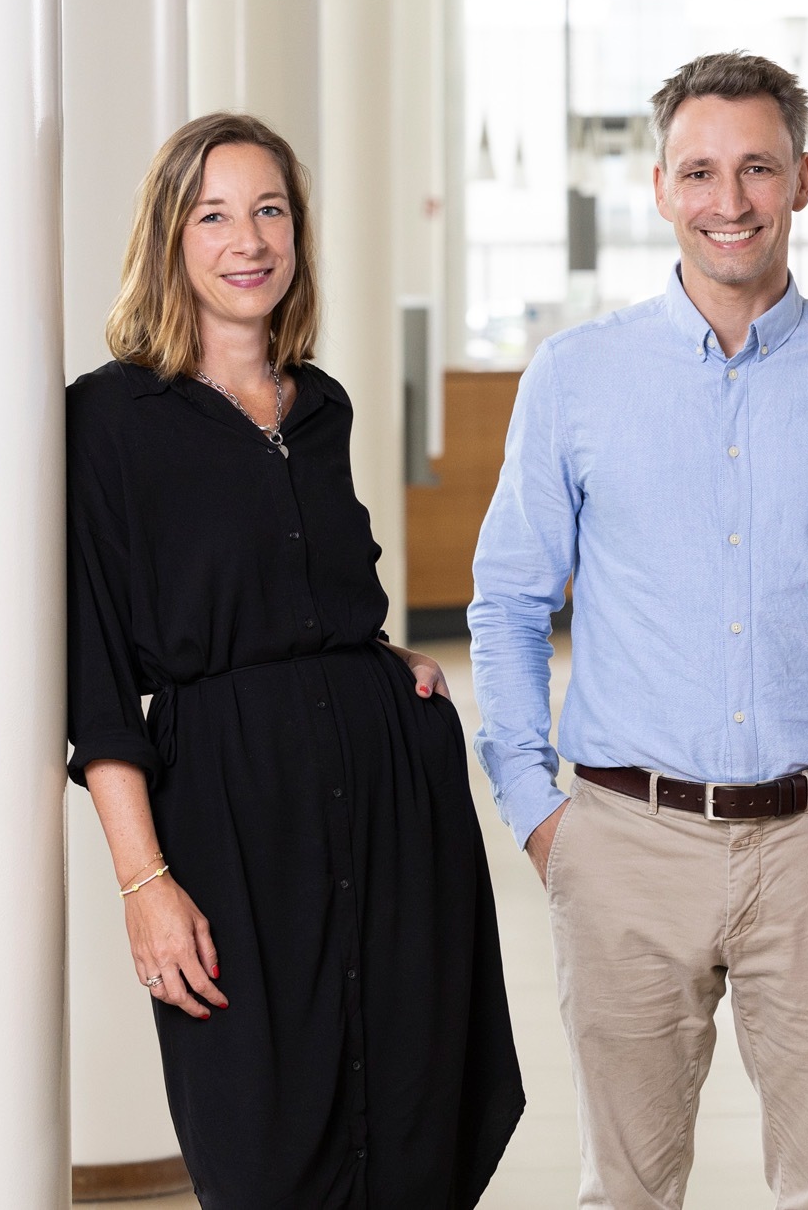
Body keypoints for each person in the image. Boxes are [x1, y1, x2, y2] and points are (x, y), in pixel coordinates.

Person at [469, 51, 808, 1210]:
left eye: (756, 166)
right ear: (657, 188)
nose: (729, 199)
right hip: (621, 842)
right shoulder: (575, 377)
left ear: (802, 179)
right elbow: (504, 601)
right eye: (699, 171)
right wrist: (536, 808)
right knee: (627, 1192)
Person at [65, 112, 524, 1208]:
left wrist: (379, 656)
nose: (247, 238)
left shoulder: (318, 406)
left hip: (388, 804)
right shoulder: (110, 417)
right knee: (262, 1140)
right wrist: (144, 880)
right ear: (169, 238)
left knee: (415, 1106)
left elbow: (306, 593)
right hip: (226, 813)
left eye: (269, 209)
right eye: (213, 214)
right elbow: (94, 678)